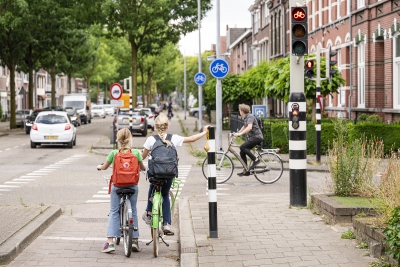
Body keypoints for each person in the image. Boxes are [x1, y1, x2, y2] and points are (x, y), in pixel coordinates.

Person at [141, 114, 210, 235]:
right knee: (165, 194)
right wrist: (205, 132)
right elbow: (192, 138)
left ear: (156, 126)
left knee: (152, 187)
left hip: (155, 173)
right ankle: (167, 223)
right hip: (169, 173)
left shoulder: (150, 140)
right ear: (167, 126)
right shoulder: (174, 138)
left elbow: (142, 157)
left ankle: (148, 213)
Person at [97, 128, 146, 253]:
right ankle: (134, 240)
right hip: (132, 186)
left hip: (118, 186)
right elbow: (142, 167)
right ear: (130, 139)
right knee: (133, 210)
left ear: (118, 140)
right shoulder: (136, 153)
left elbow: (104, 167)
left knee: (114, 211)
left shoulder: (114, 153)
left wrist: (100, 167)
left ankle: (110, 243)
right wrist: (144, 168)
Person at [234, 103, 264, 176]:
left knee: (242, 147)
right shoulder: (246, 118)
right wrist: (237, 133)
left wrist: (240, 134)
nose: (239, 112)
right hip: (253, 138)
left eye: (239, 110)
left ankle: (256, 160)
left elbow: (249, 127)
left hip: (257, 137)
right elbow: (244, 126)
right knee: (242, 152)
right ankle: (246, 170)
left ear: (242, 111)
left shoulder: (250, 116)